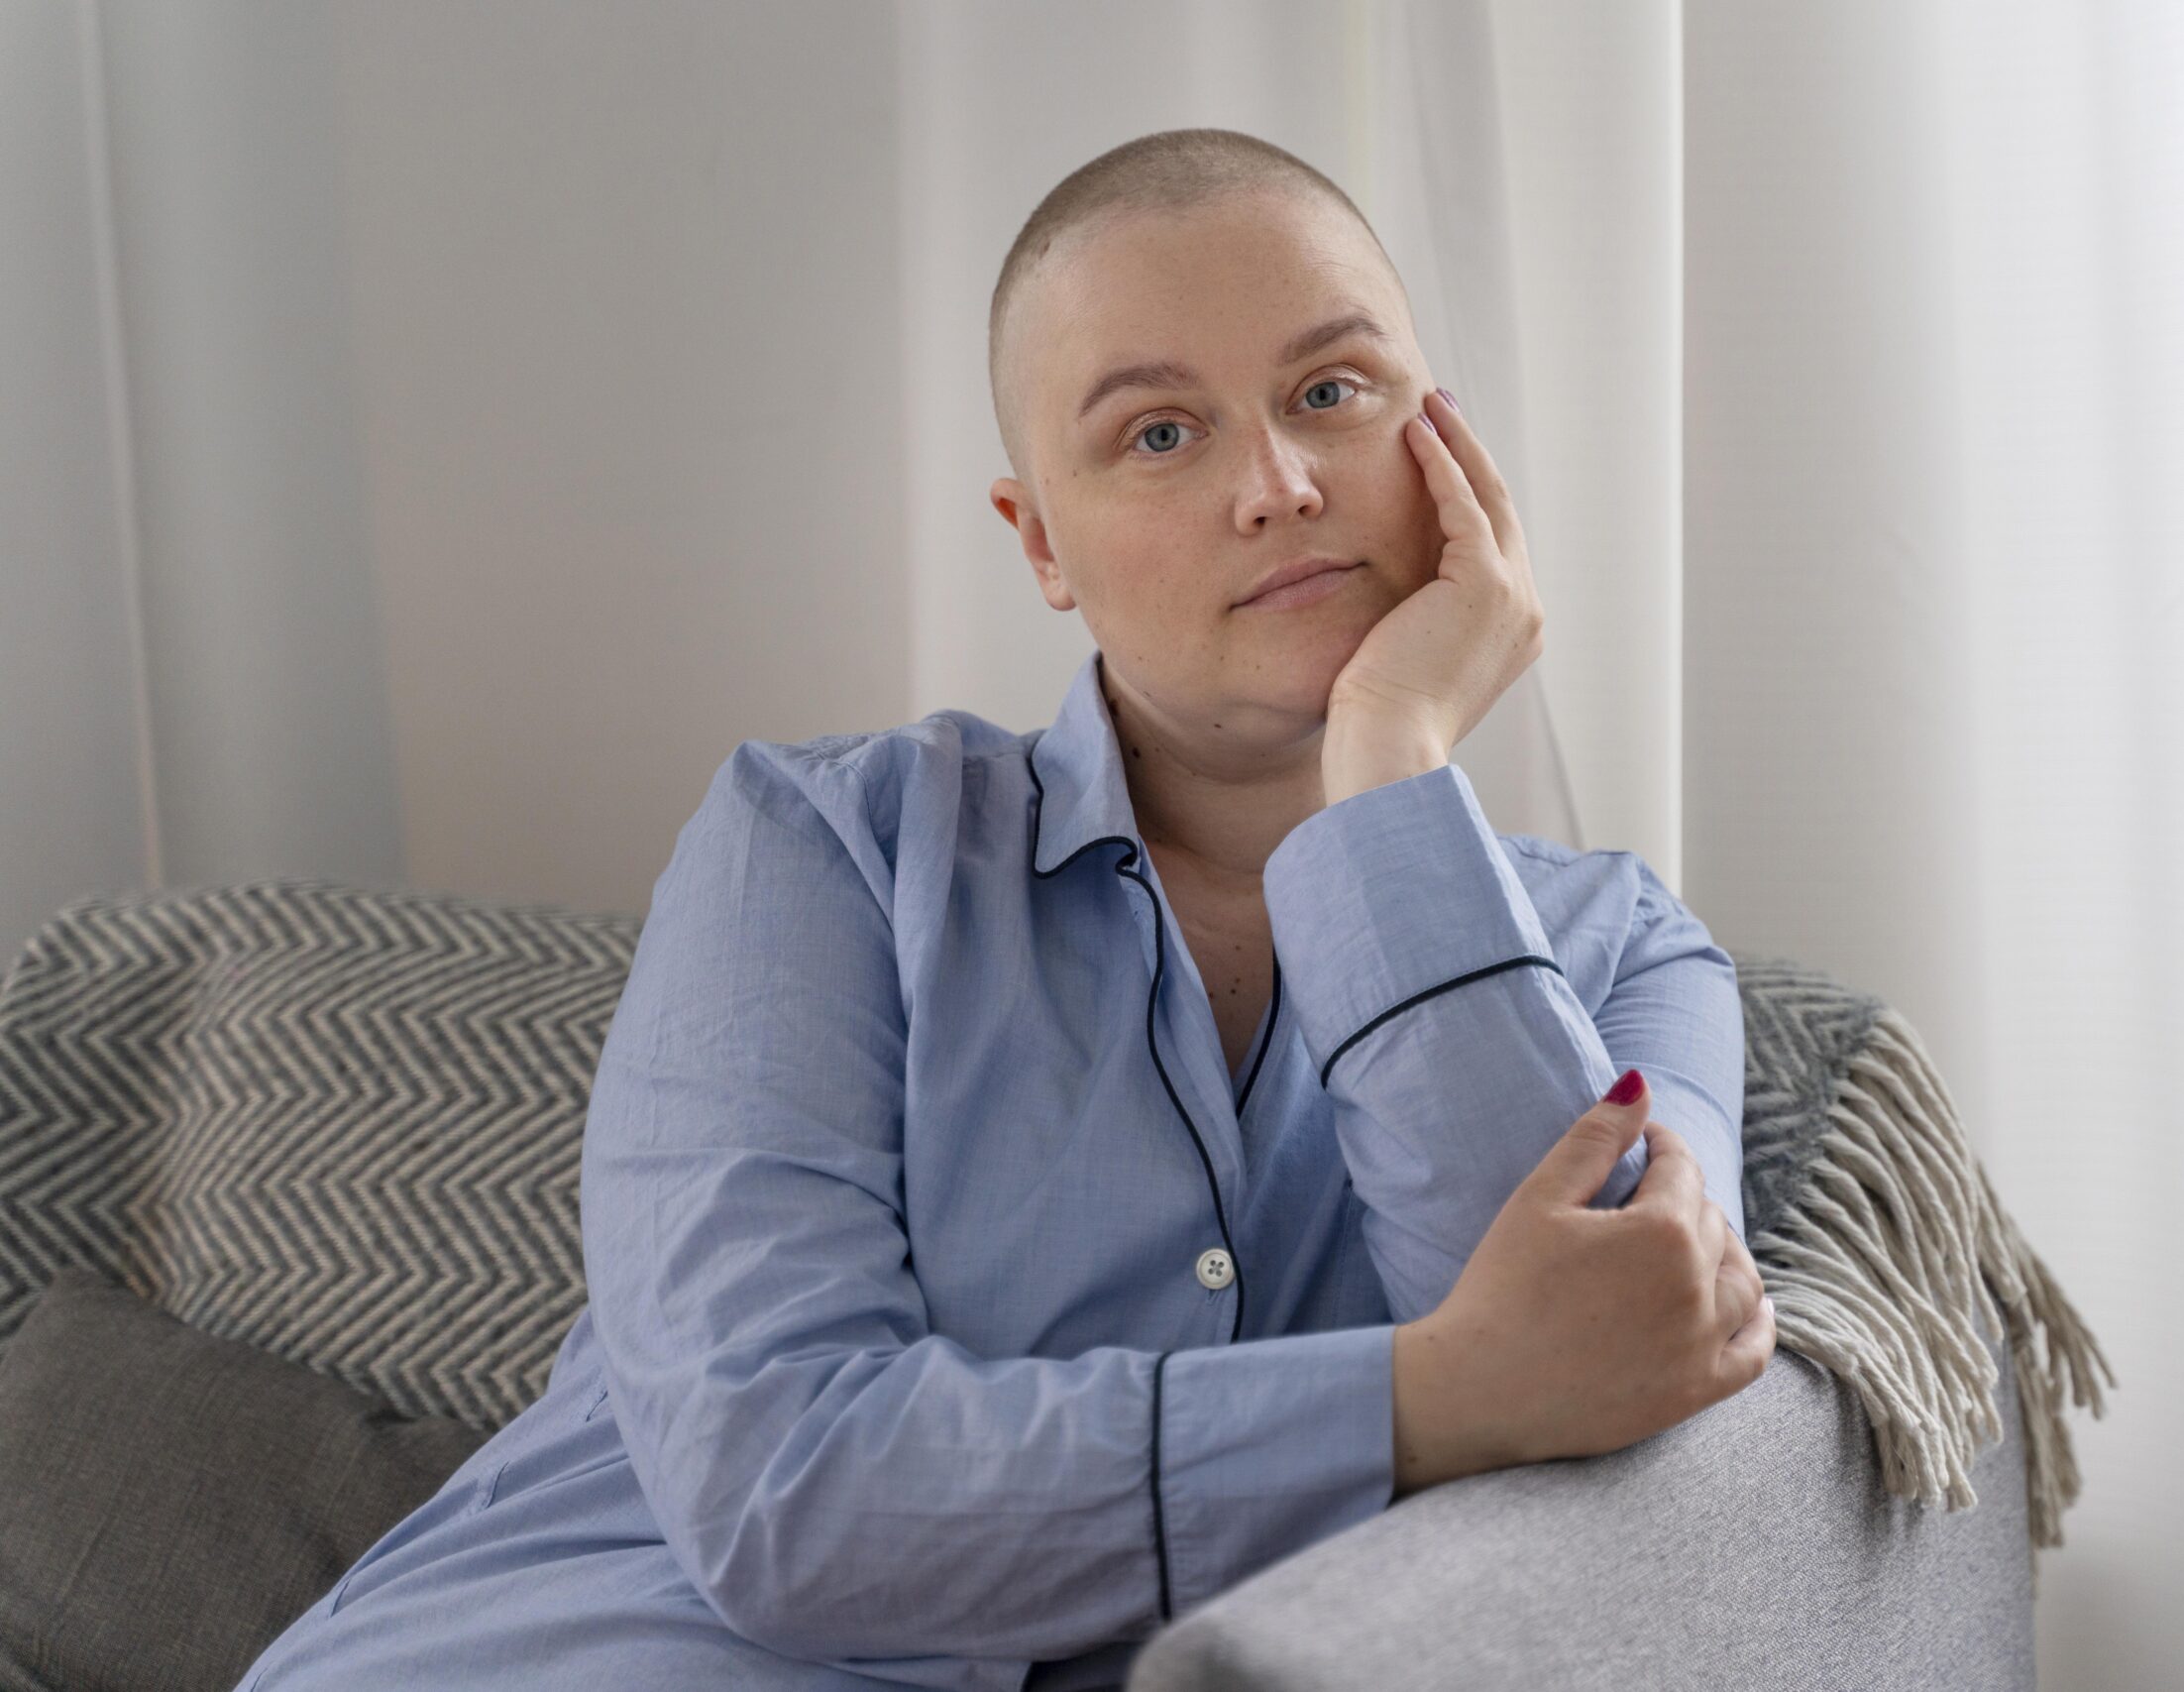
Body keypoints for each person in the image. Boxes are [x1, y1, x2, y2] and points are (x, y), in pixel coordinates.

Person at [230, 127, 1771, 1692]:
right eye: (1160, 433)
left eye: (1331, 391)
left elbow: (1612, 1401)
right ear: (1041, 541)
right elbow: (784, 1492)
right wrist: (1426, 1401)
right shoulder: (820, 846)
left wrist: (1388, 774)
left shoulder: (1629, 958)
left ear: (1449, 444)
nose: (1280, 486)